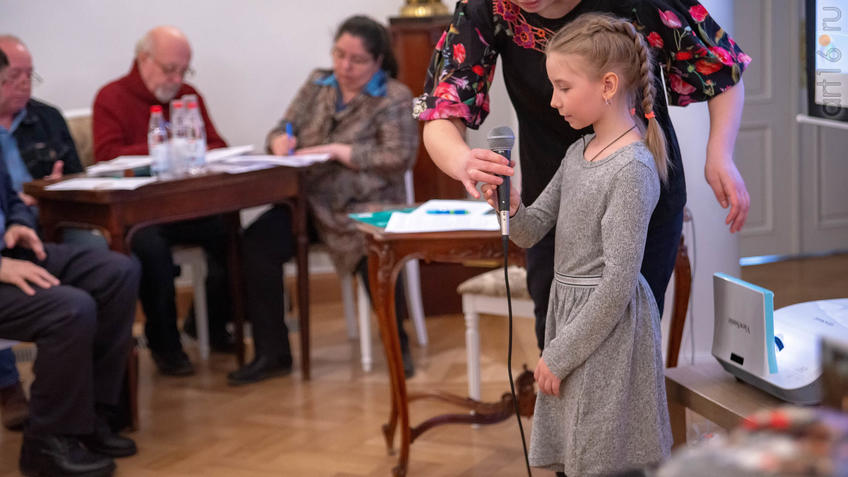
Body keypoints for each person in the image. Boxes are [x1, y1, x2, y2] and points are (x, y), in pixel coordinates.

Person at [415, 0, 751, 351]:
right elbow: (441, 109)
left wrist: (720, 155)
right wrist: (463, 161)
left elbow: (721, 70)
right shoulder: (487, 7)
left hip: (638, 200)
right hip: (553, 203)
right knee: (555, 339)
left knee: (627, 344)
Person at [483, 13, 672, 475]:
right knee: (576, 452)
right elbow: (530, 231)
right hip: (570, 317)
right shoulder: (577, 152)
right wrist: (510, 204)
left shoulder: (632, 169)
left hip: (607, 330)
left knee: (602, 454)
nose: (553, 100)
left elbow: (618, 283)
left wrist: (559, 354)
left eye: (563, 87)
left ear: (608, 85)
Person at [227, 15, 419, 385]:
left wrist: (338, 151)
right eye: (339, 55)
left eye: (357, 60)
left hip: (366, 203)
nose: (345, 66)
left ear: (378, 60)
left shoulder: (394, 96)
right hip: (311, 202)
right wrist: (278, 142)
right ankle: (272, 353)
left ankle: (398, 345)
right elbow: (280, 127)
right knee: (256, 243)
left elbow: (399, 157)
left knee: (375, 249)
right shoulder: (317, 84)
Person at [92, 26, 233, 375]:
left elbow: (217, 144)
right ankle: (165, 345)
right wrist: (166, 149)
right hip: (140, 214)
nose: (177, 79)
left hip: (186, 207)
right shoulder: (111, 97)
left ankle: (211, 323)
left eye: (184, 70)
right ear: (144, 60)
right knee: (150, 250)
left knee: (232, 233)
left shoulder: (188, 96)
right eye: (170, 69)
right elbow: (107, 156)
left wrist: (191, 149)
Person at [0, 144, 141, 474]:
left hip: (10, 253)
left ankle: (89, 418)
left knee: (117, 272)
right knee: (69, 309)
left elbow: (11, 197)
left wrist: (18, 222)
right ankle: (46, 443)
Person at [0, 35, 109, 430]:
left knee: (112, 267)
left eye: (29, 75)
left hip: (41, 224)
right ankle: (13, 390)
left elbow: (78, 181)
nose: (23, 84)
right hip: (10, 246)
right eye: (12, 76)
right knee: (68, 306)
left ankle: (101, 405)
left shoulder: (46, 118)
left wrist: (35, 202)